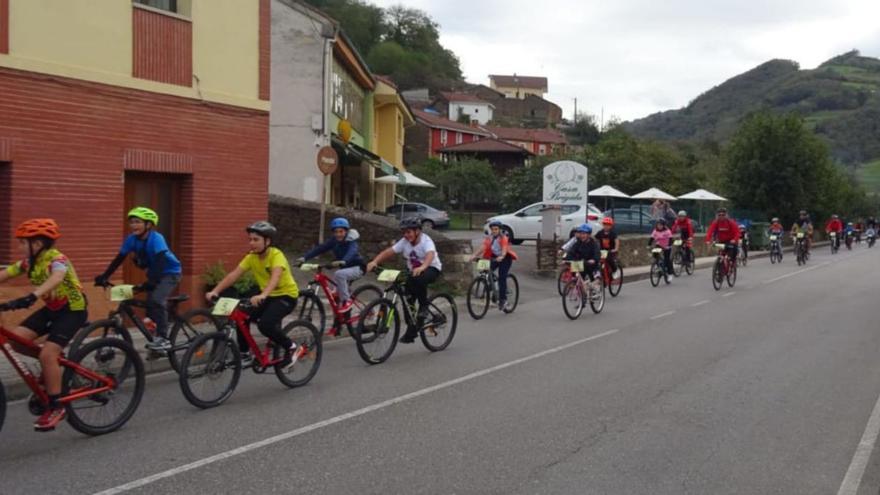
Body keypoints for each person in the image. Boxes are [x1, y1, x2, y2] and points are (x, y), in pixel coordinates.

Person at [0, 219, 87, 431]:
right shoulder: (29, 262)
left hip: (72, 310)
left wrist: (33, 295)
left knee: (47, 354)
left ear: (37, 244)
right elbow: (5, 273)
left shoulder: (56, 258)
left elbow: (58, 276)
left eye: (23, 242)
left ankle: (57, 406)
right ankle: (54, 364)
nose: (20, 246)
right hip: (52, 309)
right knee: (16, 341)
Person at [205, 221, 301, 368]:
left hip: (285, 296)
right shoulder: (251, 257)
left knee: (265, 324)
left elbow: (275, 278)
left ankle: (292, 347)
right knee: (241, 317)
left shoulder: (276, 255)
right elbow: (233, 275)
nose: (252, 243)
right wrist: (215, 291)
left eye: (256, 240)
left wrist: (263, 295)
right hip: (266, 296)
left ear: (267, 241)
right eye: (250, 239)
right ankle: (245, 354)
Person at [94, 207, 182, 351]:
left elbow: (161, 261)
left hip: (170, 273)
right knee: (148, 304)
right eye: (132, 222)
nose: (133, 225)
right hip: (154, 274)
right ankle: (155, 335)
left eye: (137, 222)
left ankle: (164, 339)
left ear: (148, 225)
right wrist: (105, 276)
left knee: (156, 300)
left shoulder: (156, 238)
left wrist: (152, 281)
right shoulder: (131, 239)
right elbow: (119, 259)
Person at [367, 218, 442, 344]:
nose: (406, 235)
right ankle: (412, 329)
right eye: (404, 232)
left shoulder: (426, 241)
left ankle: (424, 306)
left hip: (431, 268)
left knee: (418, 279)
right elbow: (389, 252)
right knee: (408, 300)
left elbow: (430, 255)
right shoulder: (405, 241)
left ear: (417, 231)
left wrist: (423, 267)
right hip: (413, 271)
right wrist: (375, 261)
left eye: (409, 232)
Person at [298, 217, 364, 313]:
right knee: (335, 292)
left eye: (341, 231)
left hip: (358, 268)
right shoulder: (334, 241)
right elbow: (320, 248)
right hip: (344, 269)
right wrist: (304, 258)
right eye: (336, 232)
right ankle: (339, 320)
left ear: (346, 231)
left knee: (339, 274)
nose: (338, 234)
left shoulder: (351, 241)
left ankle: (347, 301)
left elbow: (352, 252)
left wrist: (344, 260)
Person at [472, 220, 517, 311]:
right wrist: (474, 255)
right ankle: (495, 287)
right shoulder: (490, 238)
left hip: (505, 258)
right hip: (494, 257)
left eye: (496, 229)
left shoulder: (503, 238)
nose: (494, 231)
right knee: (484, 270)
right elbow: (483, 247)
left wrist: (502, 256)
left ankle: (503, 300)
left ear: (500, 230)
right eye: (492, 229)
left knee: (502, 277)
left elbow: (504, 248)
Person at [559, 223, 602, 290]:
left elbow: (597, 253)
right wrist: (566, 259)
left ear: (589, 235)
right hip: (582, 264)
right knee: (577, 274)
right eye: (581, 233)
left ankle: (596, 286)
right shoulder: (578, 243)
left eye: (584, 234)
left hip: (591, 265)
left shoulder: (594, 243)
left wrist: (593, 260)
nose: (582, 236)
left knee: (595, 277)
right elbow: (571, 252)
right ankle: (576, 285)